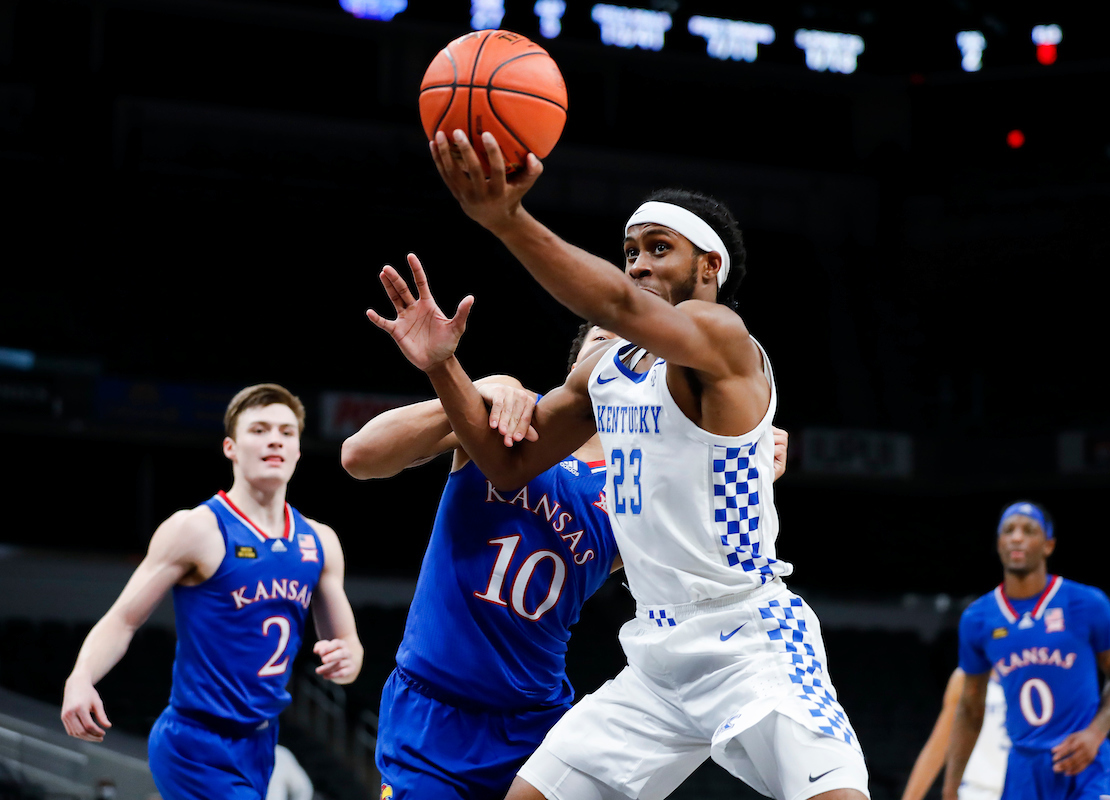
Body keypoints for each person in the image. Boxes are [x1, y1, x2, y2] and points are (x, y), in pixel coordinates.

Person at [366, 128, 871, 800]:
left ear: (709, 269)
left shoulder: (724, 338)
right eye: (630, 251)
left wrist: (509, 221)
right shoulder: (606, 371)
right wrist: (444, 368)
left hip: (749, 638)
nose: (638, 264)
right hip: (658, 653)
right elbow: (505, 467)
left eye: (659, 249)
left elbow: (616, 305)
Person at [344, 315, 792, 799]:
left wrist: (739, 483)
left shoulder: (643, 486)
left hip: (536, 723)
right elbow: (360, 456)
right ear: (577, 364)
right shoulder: (512, 414)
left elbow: (698, 580)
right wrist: (473, 390)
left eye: (635, 349)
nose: (615, 355)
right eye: (602, 341)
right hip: (434, 711)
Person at [61, 383, 363, 800]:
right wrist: (80, 678)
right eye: (258, 430)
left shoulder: (321, 540)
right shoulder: (196, 529)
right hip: (195, 744)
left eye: (286, 432)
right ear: (230, 448)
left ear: (297, 450)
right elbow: (124, 619)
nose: (274, 438)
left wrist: (348, 660)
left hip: (261, 744)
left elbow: (347, 645)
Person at [944, 502, 1110, 800]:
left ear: (1048, 545)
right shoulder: (978, 618)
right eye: (1009, 531)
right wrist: (950, 789)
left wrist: (1097, 732)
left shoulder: (1087, 603)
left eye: (1028, 530)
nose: (1017, 537)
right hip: (1024, 770)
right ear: (999, 544)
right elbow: (969, 710)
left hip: (1087, 763)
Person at [900, 668, 1008, 800]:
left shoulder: (1034, 672)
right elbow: (937, 748)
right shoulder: (965, 677)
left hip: (1023, 789)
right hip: (975, 791)